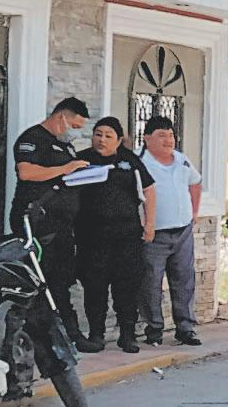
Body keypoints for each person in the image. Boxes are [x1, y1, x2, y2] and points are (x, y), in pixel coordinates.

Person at [9, 97, 98, 354]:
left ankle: (67, 335)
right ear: (61, 117)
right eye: (74, 125)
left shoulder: (65, 145)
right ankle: (44, 336)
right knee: (42, 280)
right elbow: (26, 172)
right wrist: (67, 168)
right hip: (38, 222)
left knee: (61, 280)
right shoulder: (33, 139)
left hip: (62, 225)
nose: (76, 132)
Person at [74, 117, 156, 354]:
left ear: (119, 140)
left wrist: (150, 224)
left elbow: (149, 190)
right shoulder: (81, 160)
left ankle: (127, 335)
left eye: (108, 136)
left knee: (126, 287)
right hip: (91, 236)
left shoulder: (130, 161)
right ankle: (96, 334)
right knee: (94, 287)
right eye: (98, 134)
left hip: (126, 236)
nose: (102, 139)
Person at [139, 116, 203, 347]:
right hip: (154, 234)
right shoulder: (140, 162)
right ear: (147, 139)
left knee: (184, 280)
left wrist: (194, 212)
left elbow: (195, 182)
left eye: (170, 135)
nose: (168, 140)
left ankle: (185, 328)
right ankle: (154, 329)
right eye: (161, 136)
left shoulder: (181, 160)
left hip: (183, 231)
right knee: (150, 282)